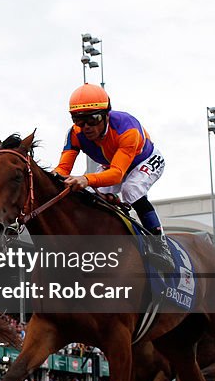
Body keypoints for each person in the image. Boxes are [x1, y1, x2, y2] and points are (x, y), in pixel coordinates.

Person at [53, 84, 173, 271]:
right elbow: (62, 169)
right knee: (87, 193)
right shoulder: (75, 133)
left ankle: (160, 243)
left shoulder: (127, 128)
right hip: (112, 165)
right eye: (78, 120)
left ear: (106, 115)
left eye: (93, 119)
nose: (86, 128)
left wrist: (86, 179)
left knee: (131, 189)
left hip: (144, 161)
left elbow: (117, 175)